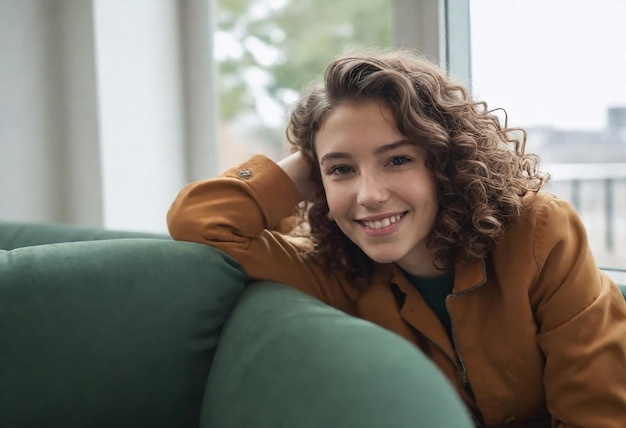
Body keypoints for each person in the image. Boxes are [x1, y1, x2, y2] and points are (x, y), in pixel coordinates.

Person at [167, 48, 626, 427]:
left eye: (397, 160)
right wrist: (311, 163)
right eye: (342, 170)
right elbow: (201, 219)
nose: (369, 195)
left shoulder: (539, 233)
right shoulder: (336, 272)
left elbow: (598, 417)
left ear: (445, 162)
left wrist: (339, 158)